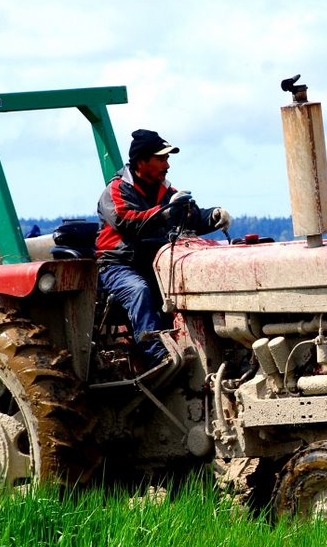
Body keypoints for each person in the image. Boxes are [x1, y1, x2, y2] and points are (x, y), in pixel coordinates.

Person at [95, 129, 231, 370]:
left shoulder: (164, 189)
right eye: (161, 158)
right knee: (139, 290)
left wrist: (213, 216)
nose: (167, 165)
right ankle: (157, 355)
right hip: (119, 266)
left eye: (167, 159)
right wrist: (164, 213)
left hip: (155, 262)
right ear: (141, 161)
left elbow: (190, 217)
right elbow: (126, 221)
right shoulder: (116, 190)